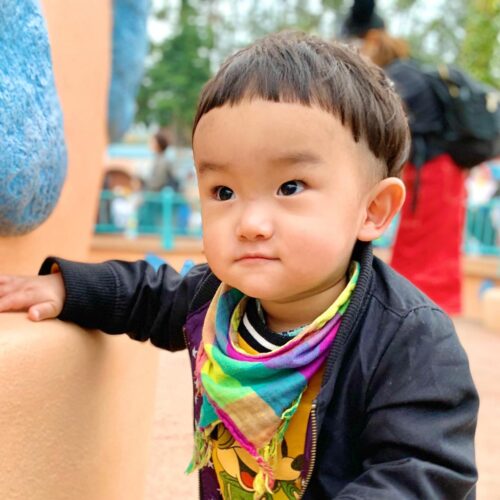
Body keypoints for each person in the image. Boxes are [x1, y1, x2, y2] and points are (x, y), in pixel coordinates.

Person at [0, 32, 478, 499]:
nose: (249, 224)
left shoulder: (410, 339)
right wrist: (68, 288)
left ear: (372, 210)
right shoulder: (216, 302)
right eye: (223, 192)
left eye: (290, 187)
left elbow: (425, 474)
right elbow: (145, 293)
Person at [342, 0, 468, 315]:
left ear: (372, 39)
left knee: (426, 243)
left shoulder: (401, 76)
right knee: (423, 241)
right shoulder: (404, 71)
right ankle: (419, 311)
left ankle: (419, 315)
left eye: (357, 42)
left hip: (435, 169)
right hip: (431, 169)